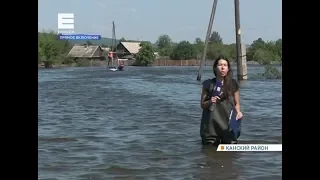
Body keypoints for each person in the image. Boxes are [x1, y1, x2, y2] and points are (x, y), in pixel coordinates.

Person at [200, 55, 243, 146]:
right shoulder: (208, 84)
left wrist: (238, 112)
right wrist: (211, 100)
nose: (223, 67)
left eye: (225, 65)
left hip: (227, 125)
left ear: (228, 68)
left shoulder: (233, 84)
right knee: (210, 153)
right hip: (211, 126)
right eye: (220, 65)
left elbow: (237, 104)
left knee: (229, 155)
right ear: (215, 68)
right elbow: (203, 105)